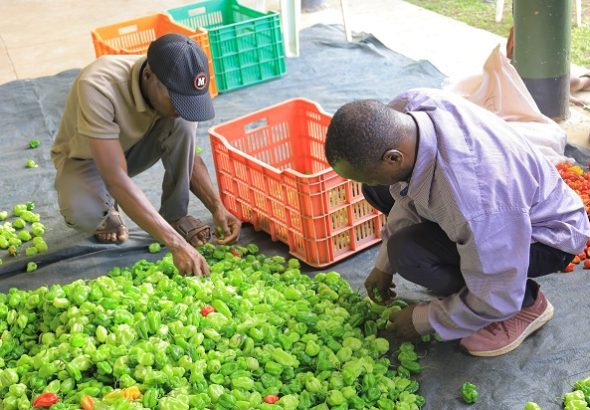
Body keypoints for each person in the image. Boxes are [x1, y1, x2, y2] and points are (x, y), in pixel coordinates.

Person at [324, 88, 590, 357]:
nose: (365, 184)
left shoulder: (474, 198)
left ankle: (524, 305)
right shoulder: (406, 107)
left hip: (545, 236)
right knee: (379, 190)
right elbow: (409, 195)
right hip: (496, 209)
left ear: (394, 157)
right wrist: (383, 267)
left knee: (407, 252)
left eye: (368, 176)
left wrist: (424, 320)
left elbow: (498, 289)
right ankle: (472, 284)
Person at [51, 34, 241, 277]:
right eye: (175, 99)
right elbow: (114, 175)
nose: (179, 106)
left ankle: (174, 215)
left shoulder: (172, 92)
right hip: (88, 159)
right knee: (84, 212)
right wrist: (176, 244)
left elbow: (188, 155)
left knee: (182, 122)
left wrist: (217, 207)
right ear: (148, 75)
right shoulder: (98, 86)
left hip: (133, 148)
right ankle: (107, 207)